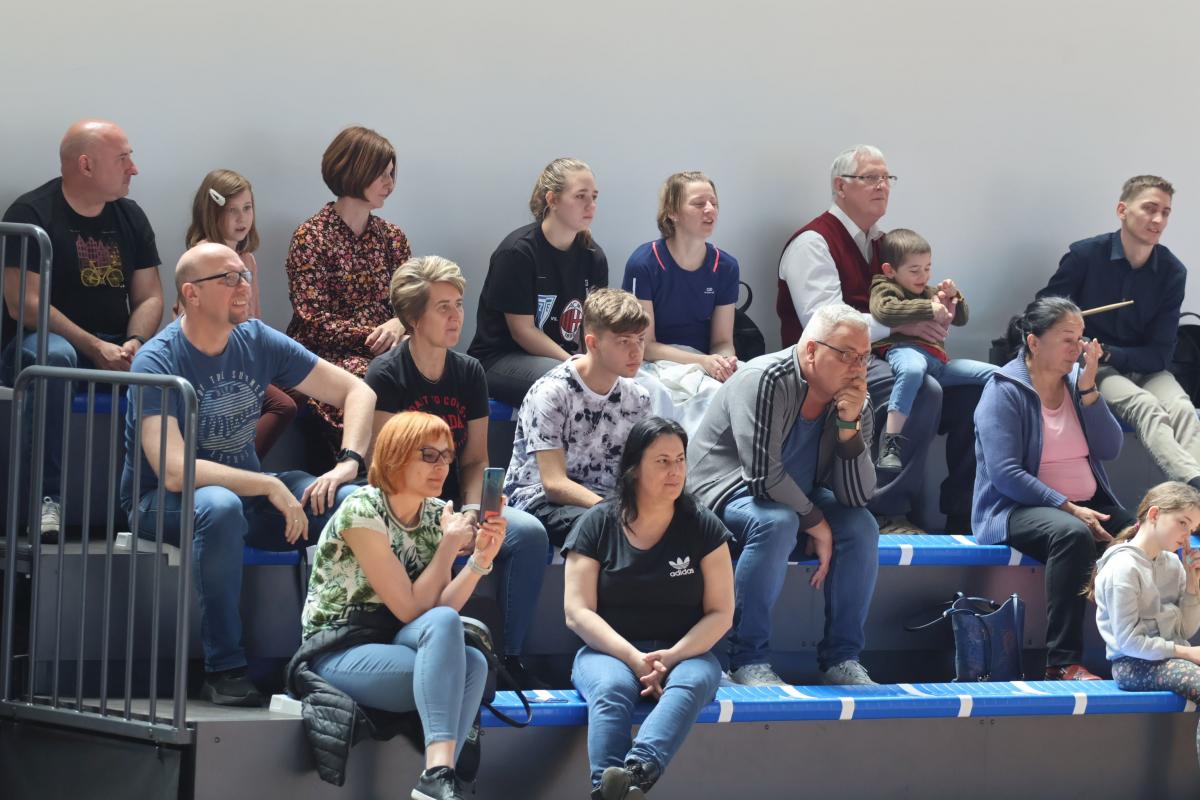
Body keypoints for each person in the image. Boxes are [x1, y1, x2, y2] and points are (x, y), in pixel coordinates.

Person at [122, 242, 376, 706]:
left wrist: (349, 462)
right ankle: (224, 669)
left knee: (353, 502)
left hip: (248, 498)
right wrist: (266, 482)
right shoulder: (156, 361)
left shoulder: (256, 339)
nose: (244, 286)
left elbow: (357, 391)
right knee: (219, 506)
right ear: (191, 294)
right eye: (228, 278)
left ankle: (345, 656)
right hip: (160, 503)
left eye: (245, 275)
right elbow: (174, 471)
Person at [365, 255, 550, 688]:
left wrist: (472, 511)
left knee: (527, 533)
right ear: (413, 318)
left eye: (459, 305)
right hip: (406, 506)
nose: (456, 317)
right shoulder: (387, 373)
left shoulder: (468, 372)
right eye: (442, 307)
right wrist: (443, 522)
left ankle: (511, 657)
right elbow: (384, 466)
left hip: (456, 503)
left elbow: (475, 459)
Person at [295, 411, 501, 800]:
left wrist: (479, 560)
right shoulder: (362, 509)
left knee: (472, 660)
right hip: (340, 647)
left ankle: (439, 780)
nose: (441, 466)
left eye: (446, 457)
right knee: (459, 659)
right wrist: (448, 546)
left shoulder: (434, 515)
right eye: (429, 455)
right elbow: (410, 610)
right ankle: (438, 776)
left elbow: (439, 609)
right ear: (395, 455)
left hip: (395, 640)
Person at [776, 143, 979, 534]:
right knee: (923, 389)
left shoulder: (885, 244)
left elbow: (913, 299)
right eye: (870, 177)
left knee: (976, 392)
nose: (882, 186)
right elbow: (824, 325)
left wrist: (941, 306)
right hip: (828, 363)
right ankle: (885, 511)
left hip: (887, 355)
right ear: (840, 186)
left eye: (887, 178)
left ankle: (964, 512)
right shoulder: (813, 242)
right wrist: (905, 326)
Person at [688, 302, 879, 686]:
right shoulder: (764, 378)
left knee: (862, 526)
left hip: (795, 495)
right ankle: (747, 659)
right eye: (847, 355)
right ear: (811, 350)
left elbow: (858, 495)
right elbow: (762, 476)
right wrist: (816, 523)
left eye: (864, 357)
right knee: (777, 522)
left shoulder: (855, 402)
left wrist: (848, 428)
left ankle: (842, 659)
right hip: (723, 492)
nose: (858, 368)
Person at [1, 119, 163, 533]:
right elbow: (24, 304)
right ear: (86, 165)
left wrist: (135, 341)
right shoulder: (31, 213)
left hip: (114, 342)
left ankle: (148, 503)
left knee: (166, 365)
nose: (134, 168)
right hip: (44, 343)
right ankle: (45, 500)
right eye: (123, 158)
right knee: (56, 358)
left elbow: (149, 296)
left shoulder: (130, 216)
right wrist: (94, 347)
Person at [564, 417, 734, 799]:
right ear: (635, 468)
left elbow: (722, 612)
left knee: (692, 682)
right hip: (608, 652)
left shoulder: (704, 526)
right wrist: (633, 657)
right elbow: (577, 612)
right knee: (610, 688)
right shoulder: (597, 523)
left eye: (680, 460)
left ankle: (635, 772)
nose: (675, 471)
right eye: (662, 461)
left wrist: (672, 656)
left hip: (686, 653)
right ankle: (609, 788)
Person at [973, 296, 1134, 680]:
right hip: (1014, 508)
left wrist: (1090, 388)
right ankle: (1062, 663)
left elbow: (1110, 448)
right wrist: (1068, 507)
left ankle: (1139, 651)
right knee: (1072, 534)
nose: (1078, 348)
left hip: (1084, 502)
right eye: (1067, 339)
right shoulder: (1003, 390)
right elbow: (1006, 474)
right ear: (1033, 342)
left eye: (1081, 338)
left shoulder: (1077, 385)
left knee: (1140, 531)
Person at [1038, 175, 1200, 489]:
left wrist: (1113, 353)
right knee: (1145, 406)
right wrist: (1076, 340)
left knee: (1182, 408)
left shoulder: (1172, 271)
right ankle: (1195, 488)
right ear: (1122, 210)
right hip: (1093, 366)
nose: (1158, 219)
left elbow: (1160, 355)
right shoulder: (1085, 255)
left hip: (1143, 366)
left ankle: (1193, 497)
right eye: (1150, 208)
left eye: (1165, 212)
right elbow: (1043, 313)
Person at [286, 125, 411, 462]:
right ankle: (364, 472)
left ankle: (427, 476)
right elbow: (312, 319)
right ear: (355, 171)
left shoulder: (393, 238)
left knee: (440, 371)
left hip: (389, 348)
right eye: (381, 174)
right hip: (328, 353)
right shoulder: (311, 237)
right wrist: (376, 336)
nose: (390, 184)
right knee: (370, 378)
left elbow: (411, 302)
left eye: (391, 174)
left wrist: (400, 323)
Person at [503, 289, 651, 547]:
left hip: (608, 503)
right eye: (623, 341)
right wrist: (616, 512)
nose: (636, 351)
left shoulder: (638, 398)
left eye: (640, 339)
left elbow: (639, 472)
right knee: (603, 528)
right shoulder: (552, 392)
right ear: (592, 343)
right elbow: (554, 484)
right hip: (539, 501)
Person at [467, 157, 608, 406]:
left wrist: (599, 363)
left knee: (620, 381)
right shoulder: (517, 252)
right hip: (500, 359)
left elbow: (594, 325)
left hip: (563, 357)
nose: (591, 205)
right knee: (573, 385)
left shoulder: (592, 255)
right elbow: (523, 332)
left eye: (594, 197)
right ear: (552, 200)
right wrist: (576, 365)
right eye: (580, 196)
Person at [185, 168, 296, 458]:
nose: (241, 218)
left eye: (247, 208)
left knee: (301, 390)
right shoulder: (202, 257)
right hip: (213, 364)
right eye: (232, 210)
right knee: (283, 405)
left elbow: (253, 318)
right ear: (212, 213)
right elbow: (192, 323)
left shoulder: (247, 259)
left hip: (244, 357)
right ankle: (236, 465)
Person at [868, 228, 995, 474]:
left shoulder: (929, 292)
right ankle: (890, 443)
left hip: (939, 363)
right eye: (915, 270)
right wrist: (929, 308)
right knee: (912, 371)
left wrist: (954, 297)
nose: (923, 276)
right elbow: (884, 311)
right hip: (905, 350)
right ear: (890, 270)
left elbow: (961, 319)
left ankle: (1009, 426)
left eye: (927, 268)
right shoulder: (884, 287)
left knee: (995, 373)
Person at [1092, 481, 1200, 770]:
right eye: (1182, 523)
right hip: (1133, 664)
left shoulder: (1173, 564)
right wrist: (1187, 653)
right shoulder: (1122, 568)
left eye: (1192, 528)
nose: (1187, 534)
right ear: (1154, 514)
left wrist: (1193, 586)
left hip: (1170, 658)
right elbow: (1129, 642)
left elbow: (1184, 631)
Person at [621, 171, 739, 380]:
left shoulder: (726, 266)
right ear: (672, 212)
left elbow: (722, 341)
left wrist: (724, 362)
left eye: (714, 203)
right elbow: (645, 345)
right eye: (699, 204)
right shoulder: (643, 263)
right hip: (654, 366)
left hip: (706, 364)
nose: (710, 209)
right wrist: (702, 361)